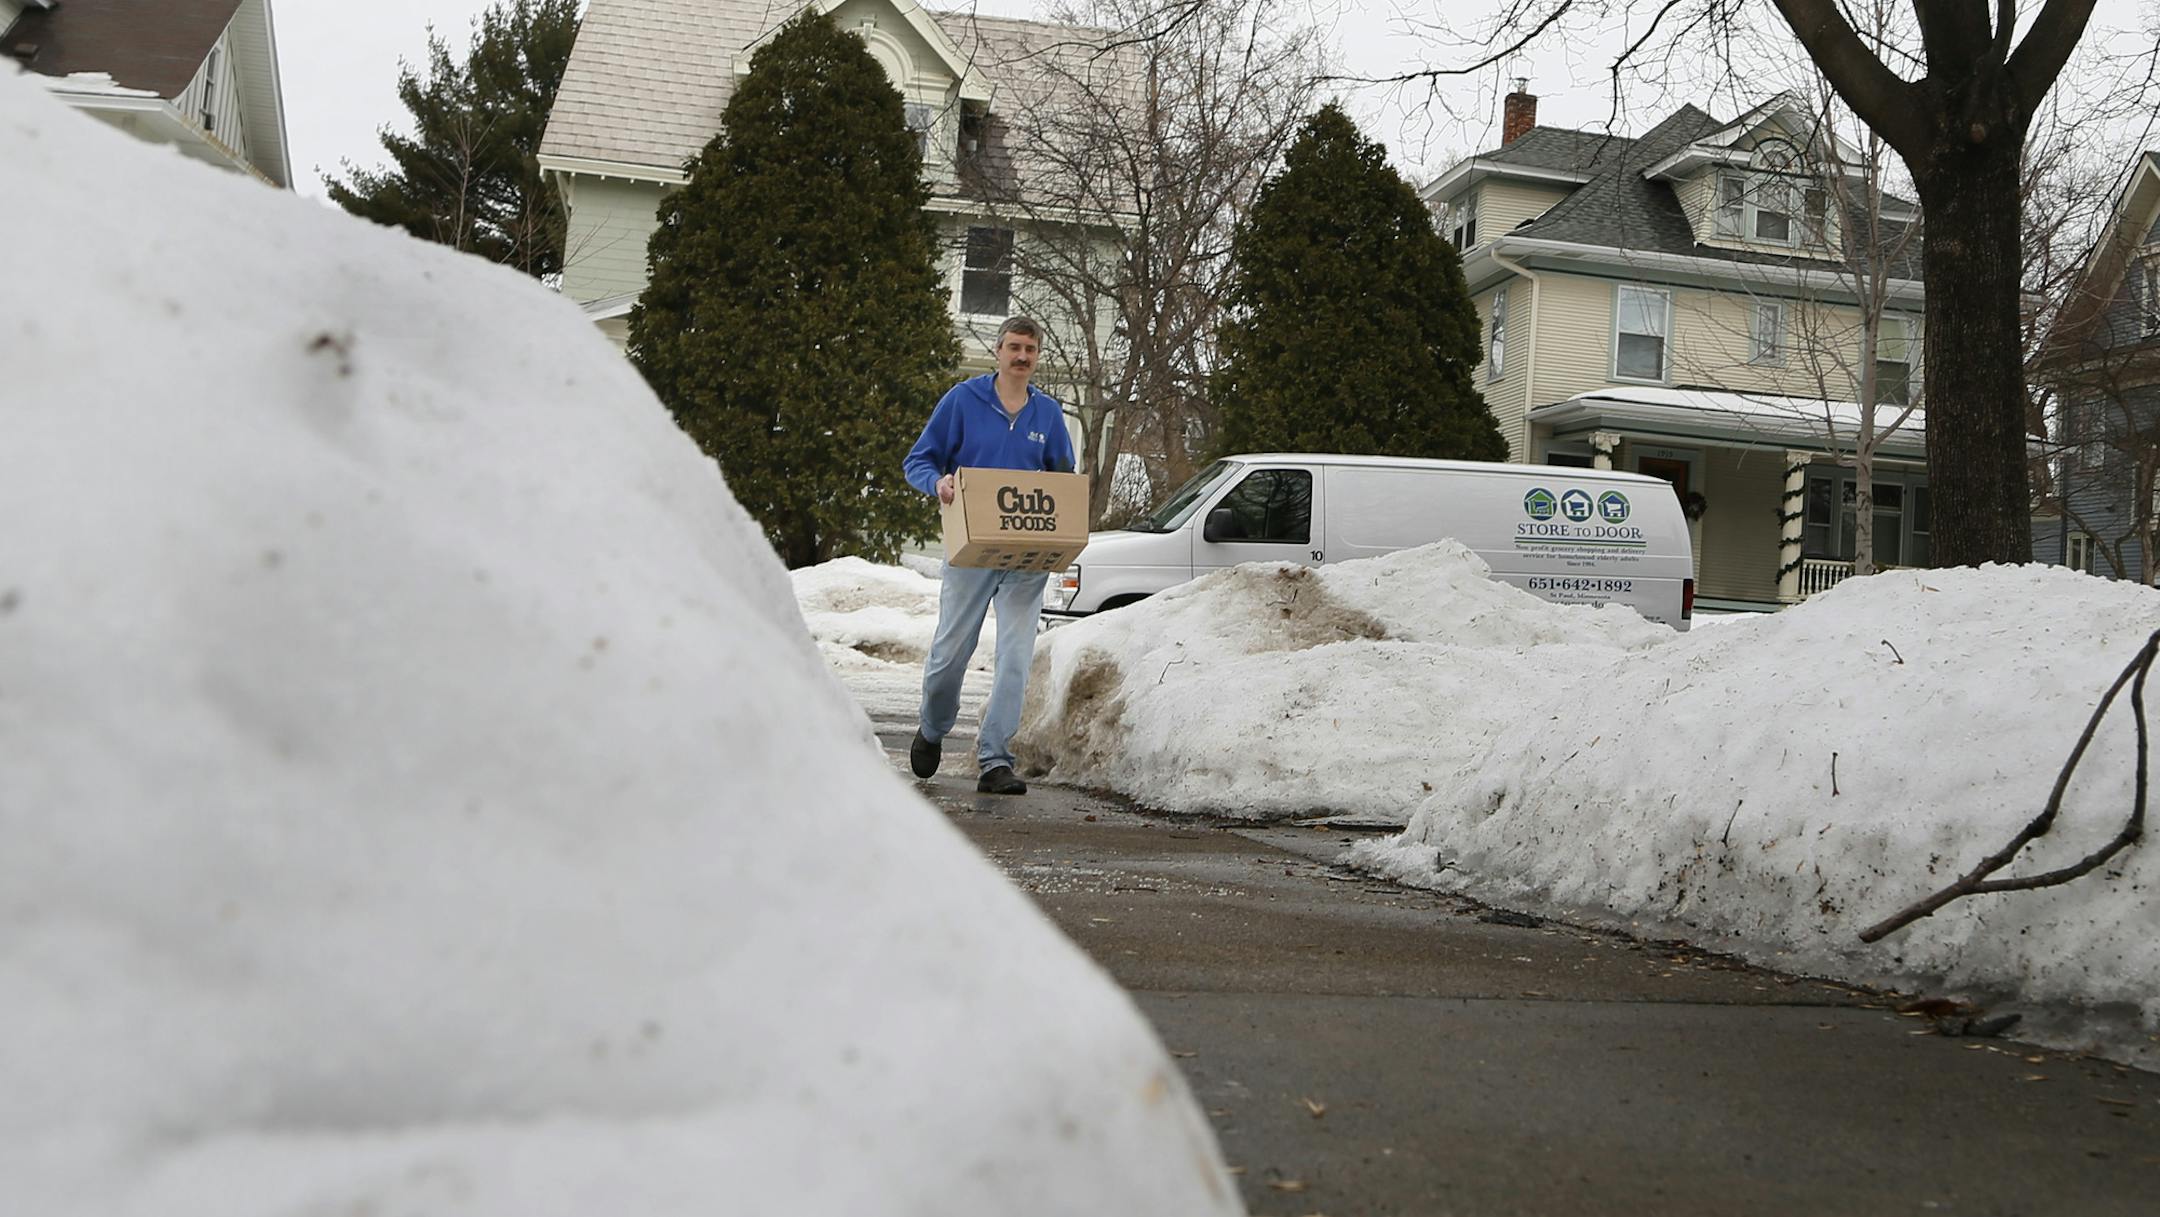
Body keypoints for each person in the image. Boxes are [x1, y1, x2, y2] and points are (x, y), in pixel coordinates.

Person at [903, 316, 1077, 795]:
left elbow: (1063, 477)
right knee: (950, 655)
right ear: (999, 351)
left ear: (1037, 357)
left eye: (1030, 349)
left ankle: (996, 760)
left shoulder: (1047, 415)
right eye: (1014, 347)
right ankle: (933, 728)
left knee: (1016, 658)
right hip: (970, 550)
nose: (1022, 356)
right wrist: (936, 483)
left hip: (1025, 557)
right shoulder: (963, 401)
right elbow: (919, 460)